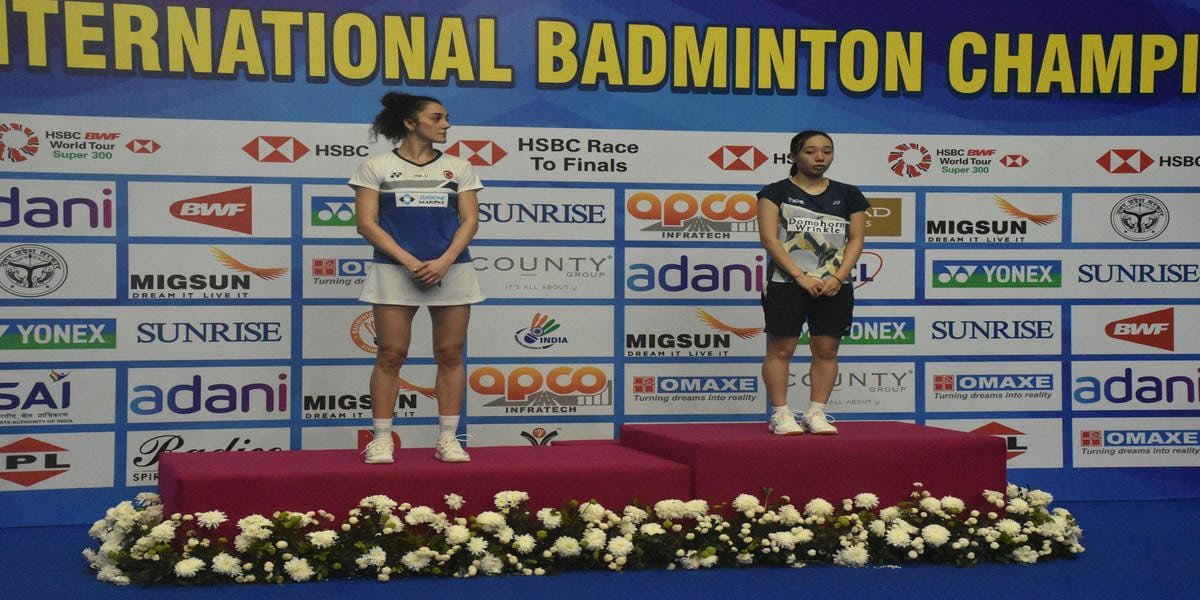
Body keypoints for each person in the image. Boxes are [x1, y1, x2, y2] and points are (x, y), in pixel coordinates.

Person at [349, 92, 485, 463]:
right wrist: (410, 262)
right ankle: (382, 439)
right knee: (390, 354)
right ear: (410, 123)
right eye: (437, 118)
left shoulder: (459, 168)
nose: (446, 125)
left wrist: (444, 261)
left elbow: (470, 220)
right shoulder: (376, 166)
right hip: (394, 271)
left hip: (452, 271)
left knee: (450, 353)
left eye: (446, 118)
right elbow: (366, 224)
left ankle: (448, 439)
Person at [757, 130, 868, 436]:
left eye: (827, 151)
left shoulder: (849, 195)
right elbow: (769, 239)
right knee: (782, 349)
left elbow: (856, 239)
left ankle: (816, 413)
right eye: (810, 151)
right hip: (786, 282)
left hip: (834, 284)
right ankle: (780, 414)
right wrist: (799, 276)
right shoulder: (774, 192)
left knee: (827, 349)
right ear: (793, 156)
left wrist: (838, 277)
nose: (820, 157)